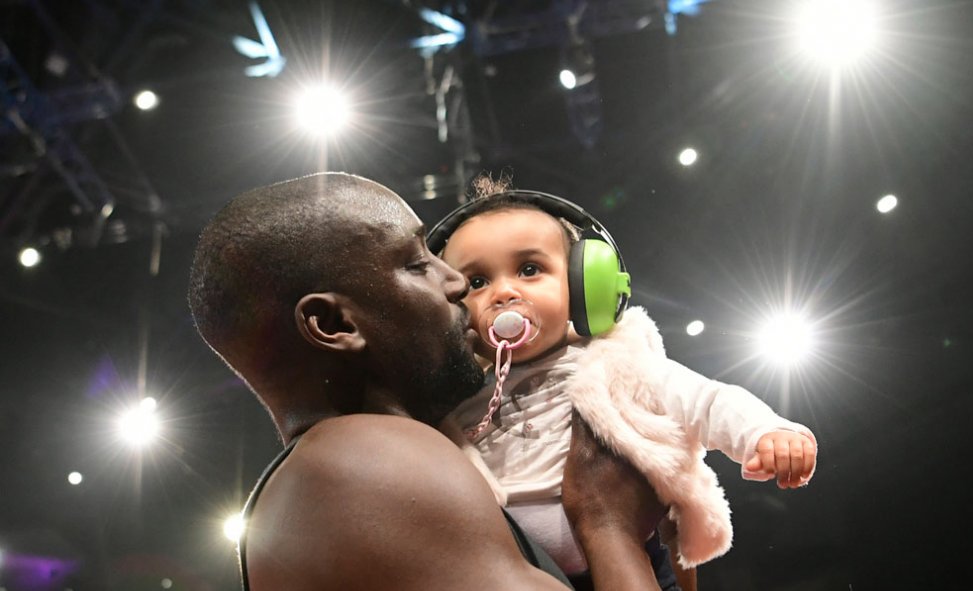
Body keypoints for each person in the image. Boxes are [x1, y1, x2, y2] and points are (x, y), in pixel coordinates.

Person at [187, 172, 668, 591]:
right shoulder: (364, 462)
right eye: (417, 263)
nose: (455, 283)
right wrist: (608, 525)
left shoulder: (340, 470)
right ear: (335, 325)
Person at [428, 177, 819, 589]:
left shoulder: (618, 363)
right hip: (520, 577)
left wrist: (766, 433)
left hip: (638, 560)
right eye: (476, 282)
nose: (503, 292)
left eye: (529, 269)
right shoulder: (459, 402)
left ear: (586, 285)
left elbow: (706, 401)